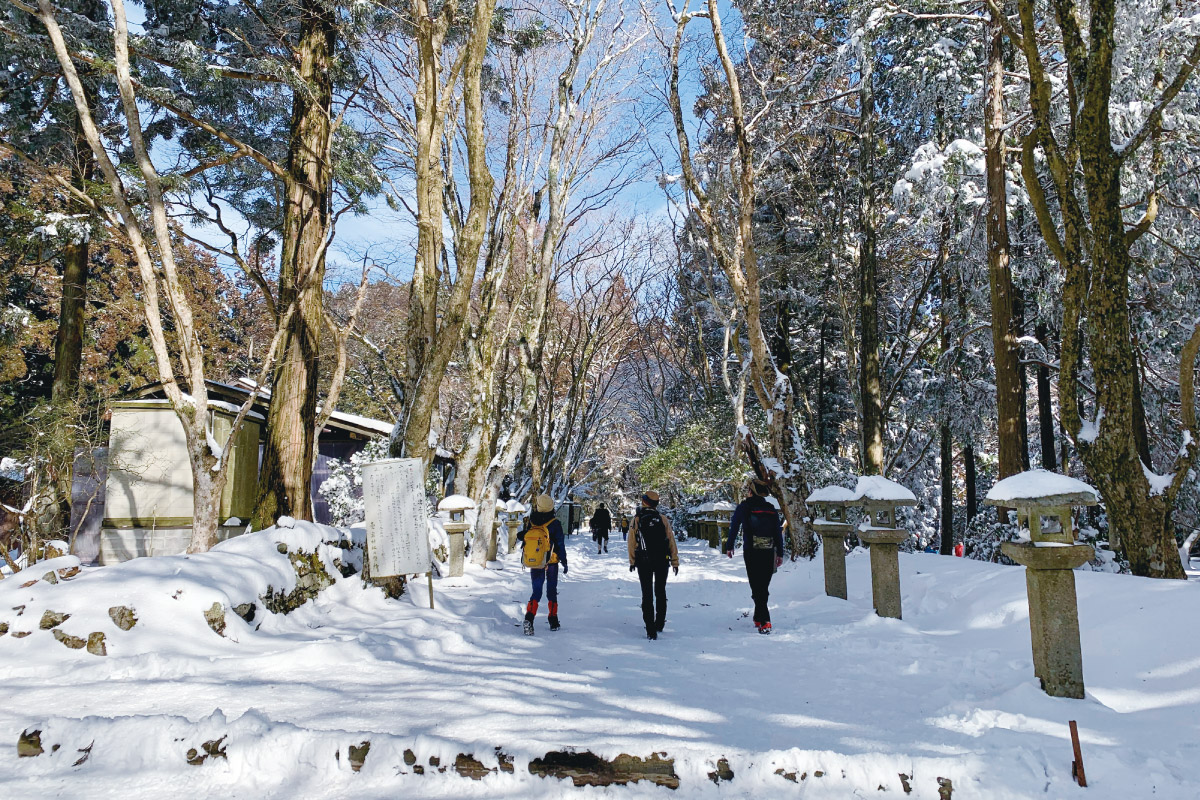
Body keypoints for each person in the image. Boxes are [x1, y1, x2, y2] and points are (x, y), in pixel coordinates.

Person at [725, 479, 784, 634]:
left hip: (751, 550)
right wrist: (780, 553)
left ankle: (765, 620)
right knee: (763, 586)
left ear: (750, 491)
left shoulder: (744, 507)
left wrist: (729, 546)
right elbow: (778, 532)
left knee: (756, 585)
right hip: (768, 550)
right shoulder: (770, 508)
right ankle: (759, 616)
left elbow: (734, 527)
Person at [627, 490, 679, 640]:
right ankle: (660, 622)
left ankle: (650, 628)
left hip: (644, 561)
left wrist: (632, 561)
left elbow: (632, 542)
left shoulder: (636, 519)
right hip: (662, 560)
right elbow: (671, 541)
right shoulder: (662, 519)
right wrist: (674, 561)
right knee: (660, 591)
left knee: (647, 593)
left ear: (644, 502)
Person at [518, 493, 568, 635]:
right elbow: (560, 545)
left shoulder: (531, 521)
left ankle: (529, 618)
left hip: (536, 561)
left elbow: (526, 540)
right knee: (551, 590)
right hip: (551, 562)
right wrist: (564, 561)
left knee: (537, 591)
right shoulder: (555, 523)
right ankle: (553, 620)